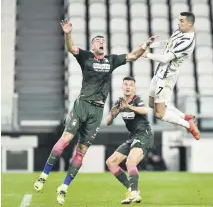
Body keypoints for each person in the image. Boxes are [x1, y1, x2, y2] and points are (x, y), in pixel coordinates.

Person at [33, 18, 159, 205]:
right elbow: (71, 48)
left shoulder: (111, 60)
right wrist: (68, 34)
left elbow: (132, 56)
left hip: (97, 110)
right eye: (98, 41)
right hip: (83, 104)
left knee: (82, 150)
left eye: (103, 41)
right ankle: (43, 176)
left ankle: (64, 187)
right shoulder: (86, 57)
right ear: (92, 46)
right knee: (66, 139)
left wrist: (146, 45)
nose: (102, 42)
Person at [142, 12, 200, 140]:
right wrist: (151, 44)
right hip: (159, 73)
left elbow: (165, 58)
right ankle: (186, 117)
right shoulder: (179, 31)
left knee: (159, 114)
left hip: (166, 78)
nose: (179, 23)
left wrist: (147, 55)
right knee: (152, 104)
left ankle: (187, 125)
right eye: (179, 20)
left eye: (182, 21)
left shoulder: (188, 42)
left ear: (190, 24)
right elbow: (168, 43)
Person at [105, 76, 154, 204]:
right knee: (111, 162)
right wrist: (113, 115)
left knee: (130, 162)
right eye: (125, 84)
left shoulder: (137, 99)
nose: (128, 87)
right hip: (132, 137)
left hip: (144, 135)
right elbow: (107, 122)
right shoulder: (119, 102)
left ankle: (134, 193)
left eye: (130, 85)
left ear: (134, 88)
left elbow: (145, 111)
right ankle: (132, 190)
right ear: (122, 87)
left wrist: (130, 107)